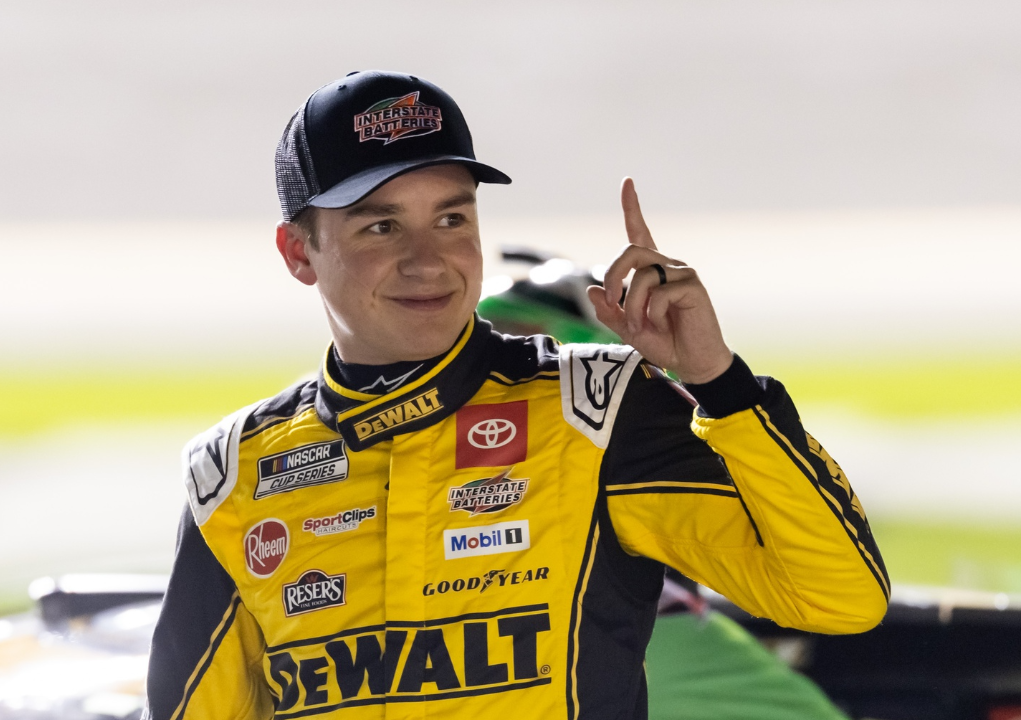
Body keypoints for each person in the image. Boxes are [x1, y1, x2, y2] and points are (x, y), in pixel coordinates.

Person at [143, 70, 888, 720]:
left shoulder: (596, 412)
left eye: (452, 218)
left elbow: (839, 595)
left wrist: (720, 384)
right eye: (381, 226)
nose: (428, 261)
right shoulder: (235, 475)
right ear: (298, 252)